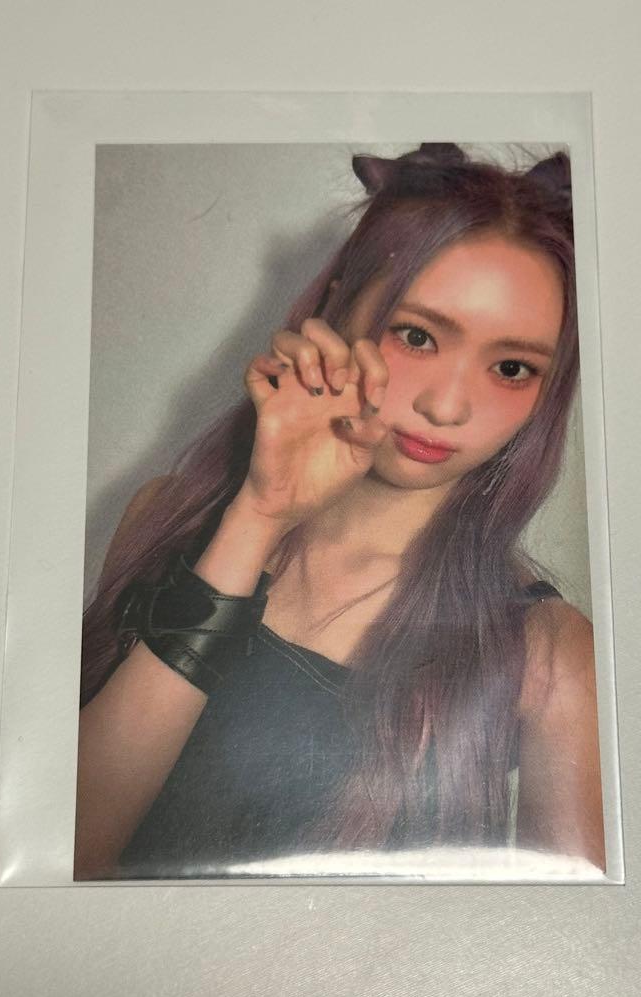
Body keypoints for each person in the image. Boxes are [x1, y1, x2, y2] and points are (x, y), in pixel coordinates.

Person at [74, 142, 604, 880]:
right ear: (335, 307)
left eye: (511, 368)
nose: (447, 406)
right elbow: (70, 856)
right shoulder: (165, 519)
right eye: (416, 335)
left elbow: (570, 943)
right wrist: (259, 515)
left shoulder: (548, 657)